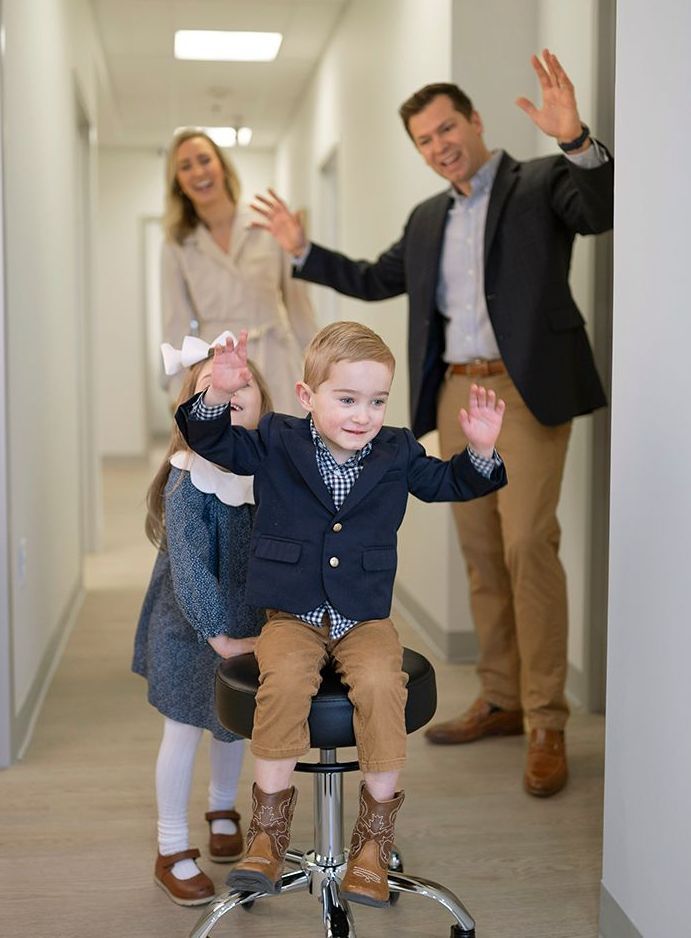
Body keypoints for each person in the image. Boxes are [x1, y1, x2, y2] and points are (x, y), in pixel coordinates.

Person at [249, 50, 614, 798]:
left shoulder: (540, 182)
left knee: (525, 545)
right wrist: (301, 250)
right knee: (480, 552)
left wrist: (575, 141)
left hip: (524, 389)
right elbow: (371, 279)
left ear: (474, 122)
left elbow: (600, 210)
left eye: (447, 127)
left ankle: (547, 717)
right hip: (455, 393)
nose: (438, 144)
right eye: (424, 138)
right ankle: (503, 697)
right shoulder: (425, 219)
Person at [175, 322, 506, 906]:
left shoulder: (398, 449)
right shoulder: (276, 439)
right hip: (291, 613)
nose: (363, 415)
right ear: (308, 397)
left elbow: (449, 483)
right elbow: (212, 442)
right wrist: (218, 396)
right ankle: (268, 837)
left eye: (377, 401)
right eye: (347, 399)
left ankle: (374, 843)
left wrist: (479, 452)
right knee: (284, 683)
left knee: (382, 684)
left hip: (364, 616)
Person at [132, 332, 272, 906]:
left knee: (233, 719)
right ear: (193, 416)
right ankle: (170, 845)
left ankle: (222, 808)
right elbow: (191, 570)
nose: (228, 395)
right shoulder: (191, 482)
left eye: (241, 390)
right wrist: (221, 635)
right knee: (185, 729)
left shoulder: (267, 471)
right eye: (211, 395)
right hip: (190, 627)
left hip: (242, 624)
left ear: (264, 401)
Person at [161, 128, 317, 414]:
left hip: (277, 358)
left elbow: (298, 306)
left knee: (281, 449)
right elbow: (176, 322)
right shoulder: (178, 244)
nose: (198, 171)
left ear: (222, 166)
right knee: (228, 453)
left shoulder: (265, 223)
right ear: (178, 183)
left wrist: (319, 372)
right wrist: (179, 389)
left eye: (205, 160)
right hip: (218, 367)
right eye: (185, 166)